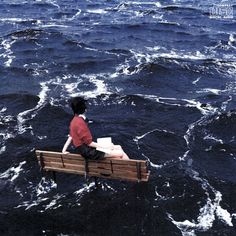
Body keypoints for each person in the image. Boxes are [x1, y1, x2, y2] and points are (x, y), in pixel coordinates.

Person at [62, 97, 129, 160]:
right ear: (84, 109)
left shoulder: (73, 121)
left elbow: (70, 137)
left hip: (84, 151)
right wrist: (106, 147)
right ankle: (132, 170)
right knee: (120, 153)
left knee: (118, 147)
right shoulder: (80, 123)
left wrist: (63, 150)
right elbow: (89, 143)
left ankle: (130, 168)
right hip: (89, 152)